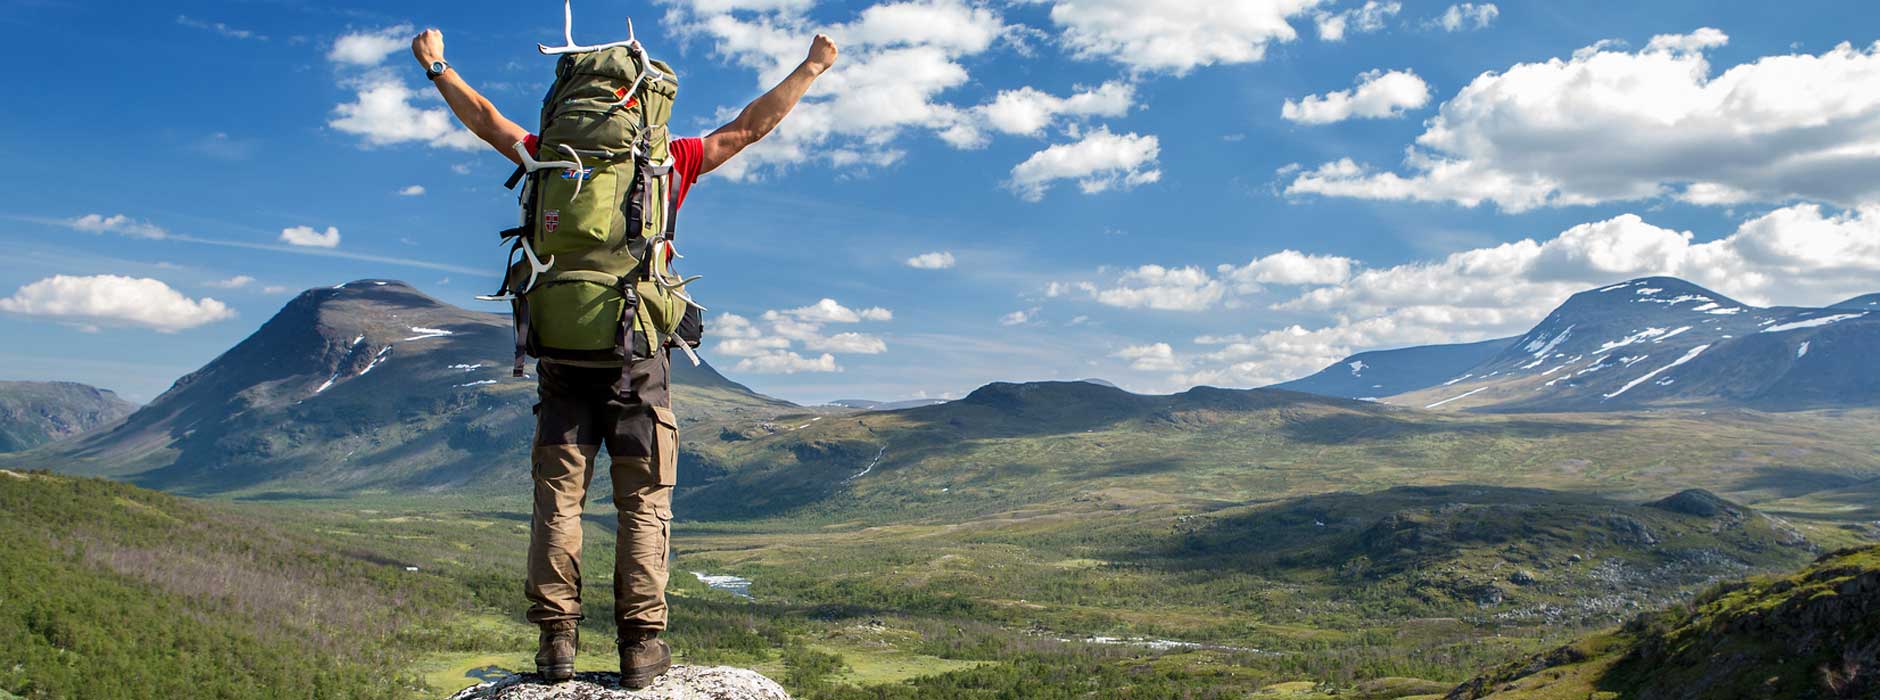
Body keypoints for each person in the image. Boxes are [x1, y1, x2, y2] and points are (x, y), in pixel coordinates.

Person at [410, 26, 839, 688]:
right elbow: (749, 128)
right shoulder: (669, 162)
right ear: (644, 105)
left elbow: (488, 122)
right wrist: (811, 68)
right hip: (638, 360)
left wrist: (438, 66)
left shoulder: (547, 157)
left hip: (559, 358)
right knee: (643, 502)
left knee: (558, 499)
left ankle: (556, 645)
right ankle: (641, 648)